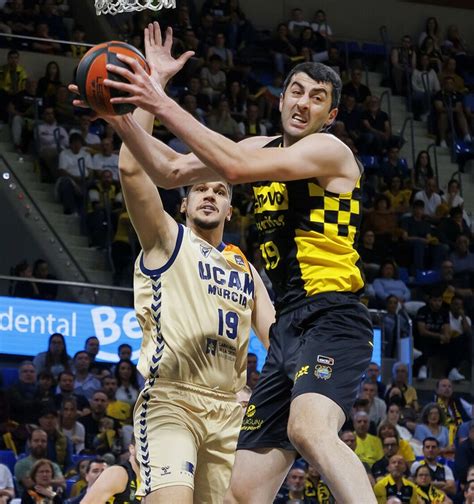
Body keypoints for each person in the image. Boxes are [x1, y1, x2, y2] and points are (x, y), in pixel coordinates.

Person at [95, 21, 376, 504]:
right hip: (290, 329)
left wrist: (159, 102)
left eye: (317, 98)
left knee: (309, 428)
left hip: (334, 315)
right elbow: (167, 170)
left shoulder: (331, 150)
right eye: (296, 91)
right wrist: (131, 102)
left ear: (330, 115)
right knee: (241, 491)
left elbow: (234, 170)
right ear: (281, 97)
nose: (302, 103)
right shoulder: (258, 147)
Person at [71, 24, 273, 504]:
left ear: (230, 209)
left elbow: (277, 335)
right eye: (200, 188)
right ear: (181, 203)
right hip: (172, 400)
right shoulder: (166, 237)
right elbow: (131, 169)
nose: (209, 193)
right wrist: (151, 88)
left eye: (220, 190)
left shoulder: (246, 268)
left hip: (230, 411)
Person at [75, 442, 140, 504]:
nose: (99, 474)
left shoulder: (146, 480)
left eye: (103, 471)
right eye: (95, 471)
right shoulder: (118, 474)